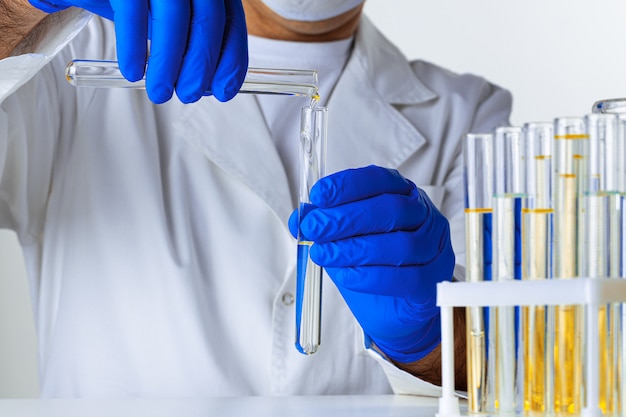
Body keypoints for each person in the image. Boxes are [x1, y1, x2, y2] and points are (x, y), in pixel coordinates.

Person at [0, 0, 511, 397]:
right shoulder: (65, 52)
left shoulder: (466, 114)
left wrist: (427, 344)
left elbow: (504, 367)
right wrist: (18, 7)